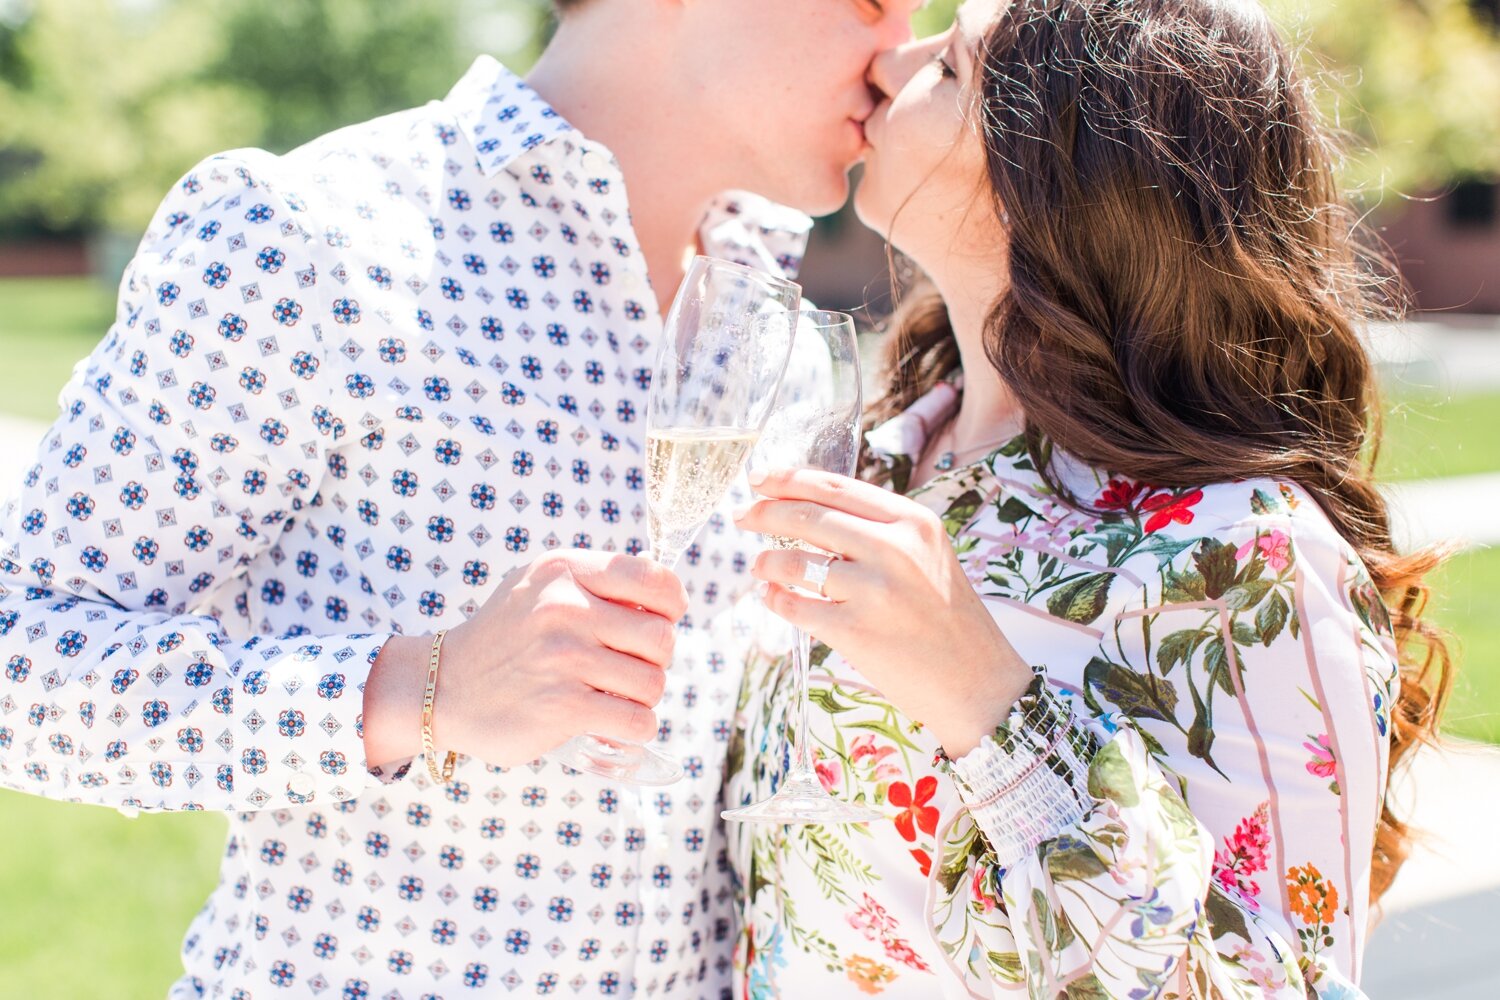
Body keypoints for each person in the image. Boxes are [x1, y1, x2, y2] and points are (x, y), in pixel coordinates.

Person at [0, 1, 919, 996]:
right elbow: (20, 667)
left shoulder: (779, 329)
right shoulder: (313, 239)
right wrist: (418, 690)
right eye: (871, 1)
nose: (901, 53)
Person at [726, 0, 1453, 995]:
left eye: (950, 70)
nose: (893, 63)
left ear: (1059, 175)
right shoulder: (873, 459)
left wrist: (991, 704)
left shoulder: (1249, 559)